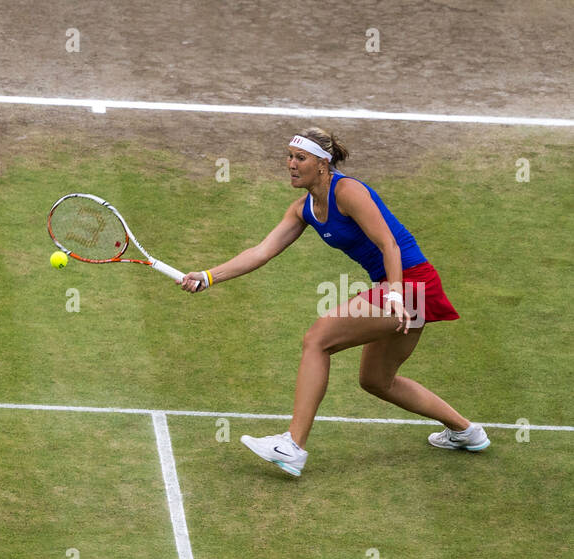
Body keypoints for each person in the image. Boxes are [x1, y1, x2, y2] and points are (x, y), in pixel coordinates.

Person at [180, 127, 488, 476]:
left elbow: (389, 244)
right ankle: (466, 431)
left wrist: (398, 294)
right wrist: (207, 276)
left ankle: (293, 446)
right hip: (402, 288)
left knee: (317, 339)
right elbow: (261, 252)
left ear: (323, 163)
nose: (291, 164)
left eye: (301, 158)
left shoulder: (350, 191)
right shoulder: (303, 209)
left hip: (411, 285)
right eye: (290, 157)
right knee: (377, 380)